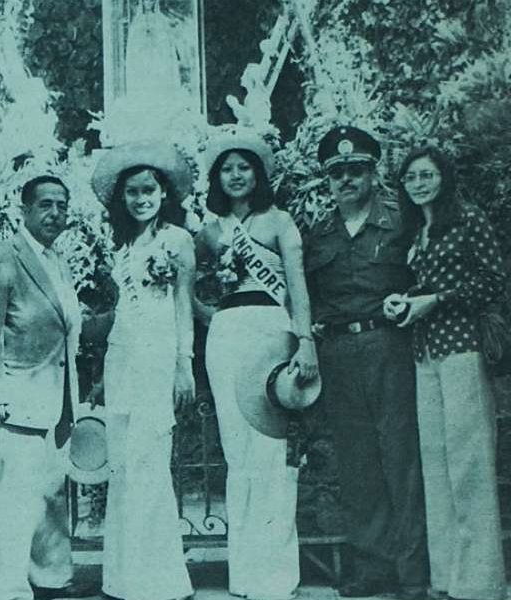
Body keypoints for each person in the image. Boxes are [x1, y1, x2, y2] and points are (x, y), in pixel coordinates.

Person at [304, 126, 428, 598]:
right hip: (338, 354)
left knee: (401, 459)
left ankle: (412, 572)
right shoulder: (319, 232)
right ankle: (373, 566)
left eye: (356, 169)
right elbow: (311, 296)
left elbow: (426, 272)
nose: (346, 180)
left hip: (389, 347)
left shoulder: (402, 222)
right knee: (357, 465)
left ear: (373, 173)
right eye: (337, 173)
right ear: (327, 180)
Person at [194, 132, 317, 600]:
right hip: (227, 337)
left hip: (272, 332)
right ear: (217, 178)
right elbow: (185, 279)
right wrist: (208, 313)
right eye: (227, 169)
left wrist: (304, 342)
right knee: (237, 454)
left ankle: (275, 575)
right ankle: (244, 575)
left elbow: (298, 288)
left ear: (258, 173)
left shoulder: (279, 221)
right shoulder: (209, 230)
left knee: (272, 449)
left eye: (244, 167)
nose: (236, 175)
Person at [383, 146, 506, 600]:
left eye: (427, 175)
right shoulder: (418, 230)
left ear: (444, 177)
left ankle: (480, 581)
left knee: (469, 463)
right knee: (436, 465)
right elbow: (426, 286)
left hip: (463, 349)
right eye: (411, 177)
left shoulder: (468, 219)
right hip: (424, 352)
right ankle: (447, 578)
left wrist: (435, 301)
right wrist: (405, 301)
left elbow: (493, 280)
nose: (419, 183)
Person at [0, 175, 91, 600]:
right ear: (24, 209)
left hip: (57, 396)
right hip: (17, 394)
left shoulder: (59, 260)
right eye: (45, 205)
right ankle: (10, 585)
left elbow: (65, 329)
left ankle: (53, 577)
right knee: (15, 496)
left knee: (51, 490)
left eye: (62, 205)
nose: (55, 214)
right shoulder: (2, 257)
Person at [90, 141, 195, 600]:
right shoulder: (123, 244)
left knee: (150, 459)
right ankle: (124, 577)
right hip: (122, 358)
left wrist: (183, 365)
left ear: (163, 193)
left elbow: (183, 307)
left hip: (158, 356)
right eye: (132, 192)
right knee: (124, 463)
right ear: (122, 198)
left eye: (148, 190)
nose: (141, 200)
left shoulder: (177, 240)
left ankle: (159, 579)